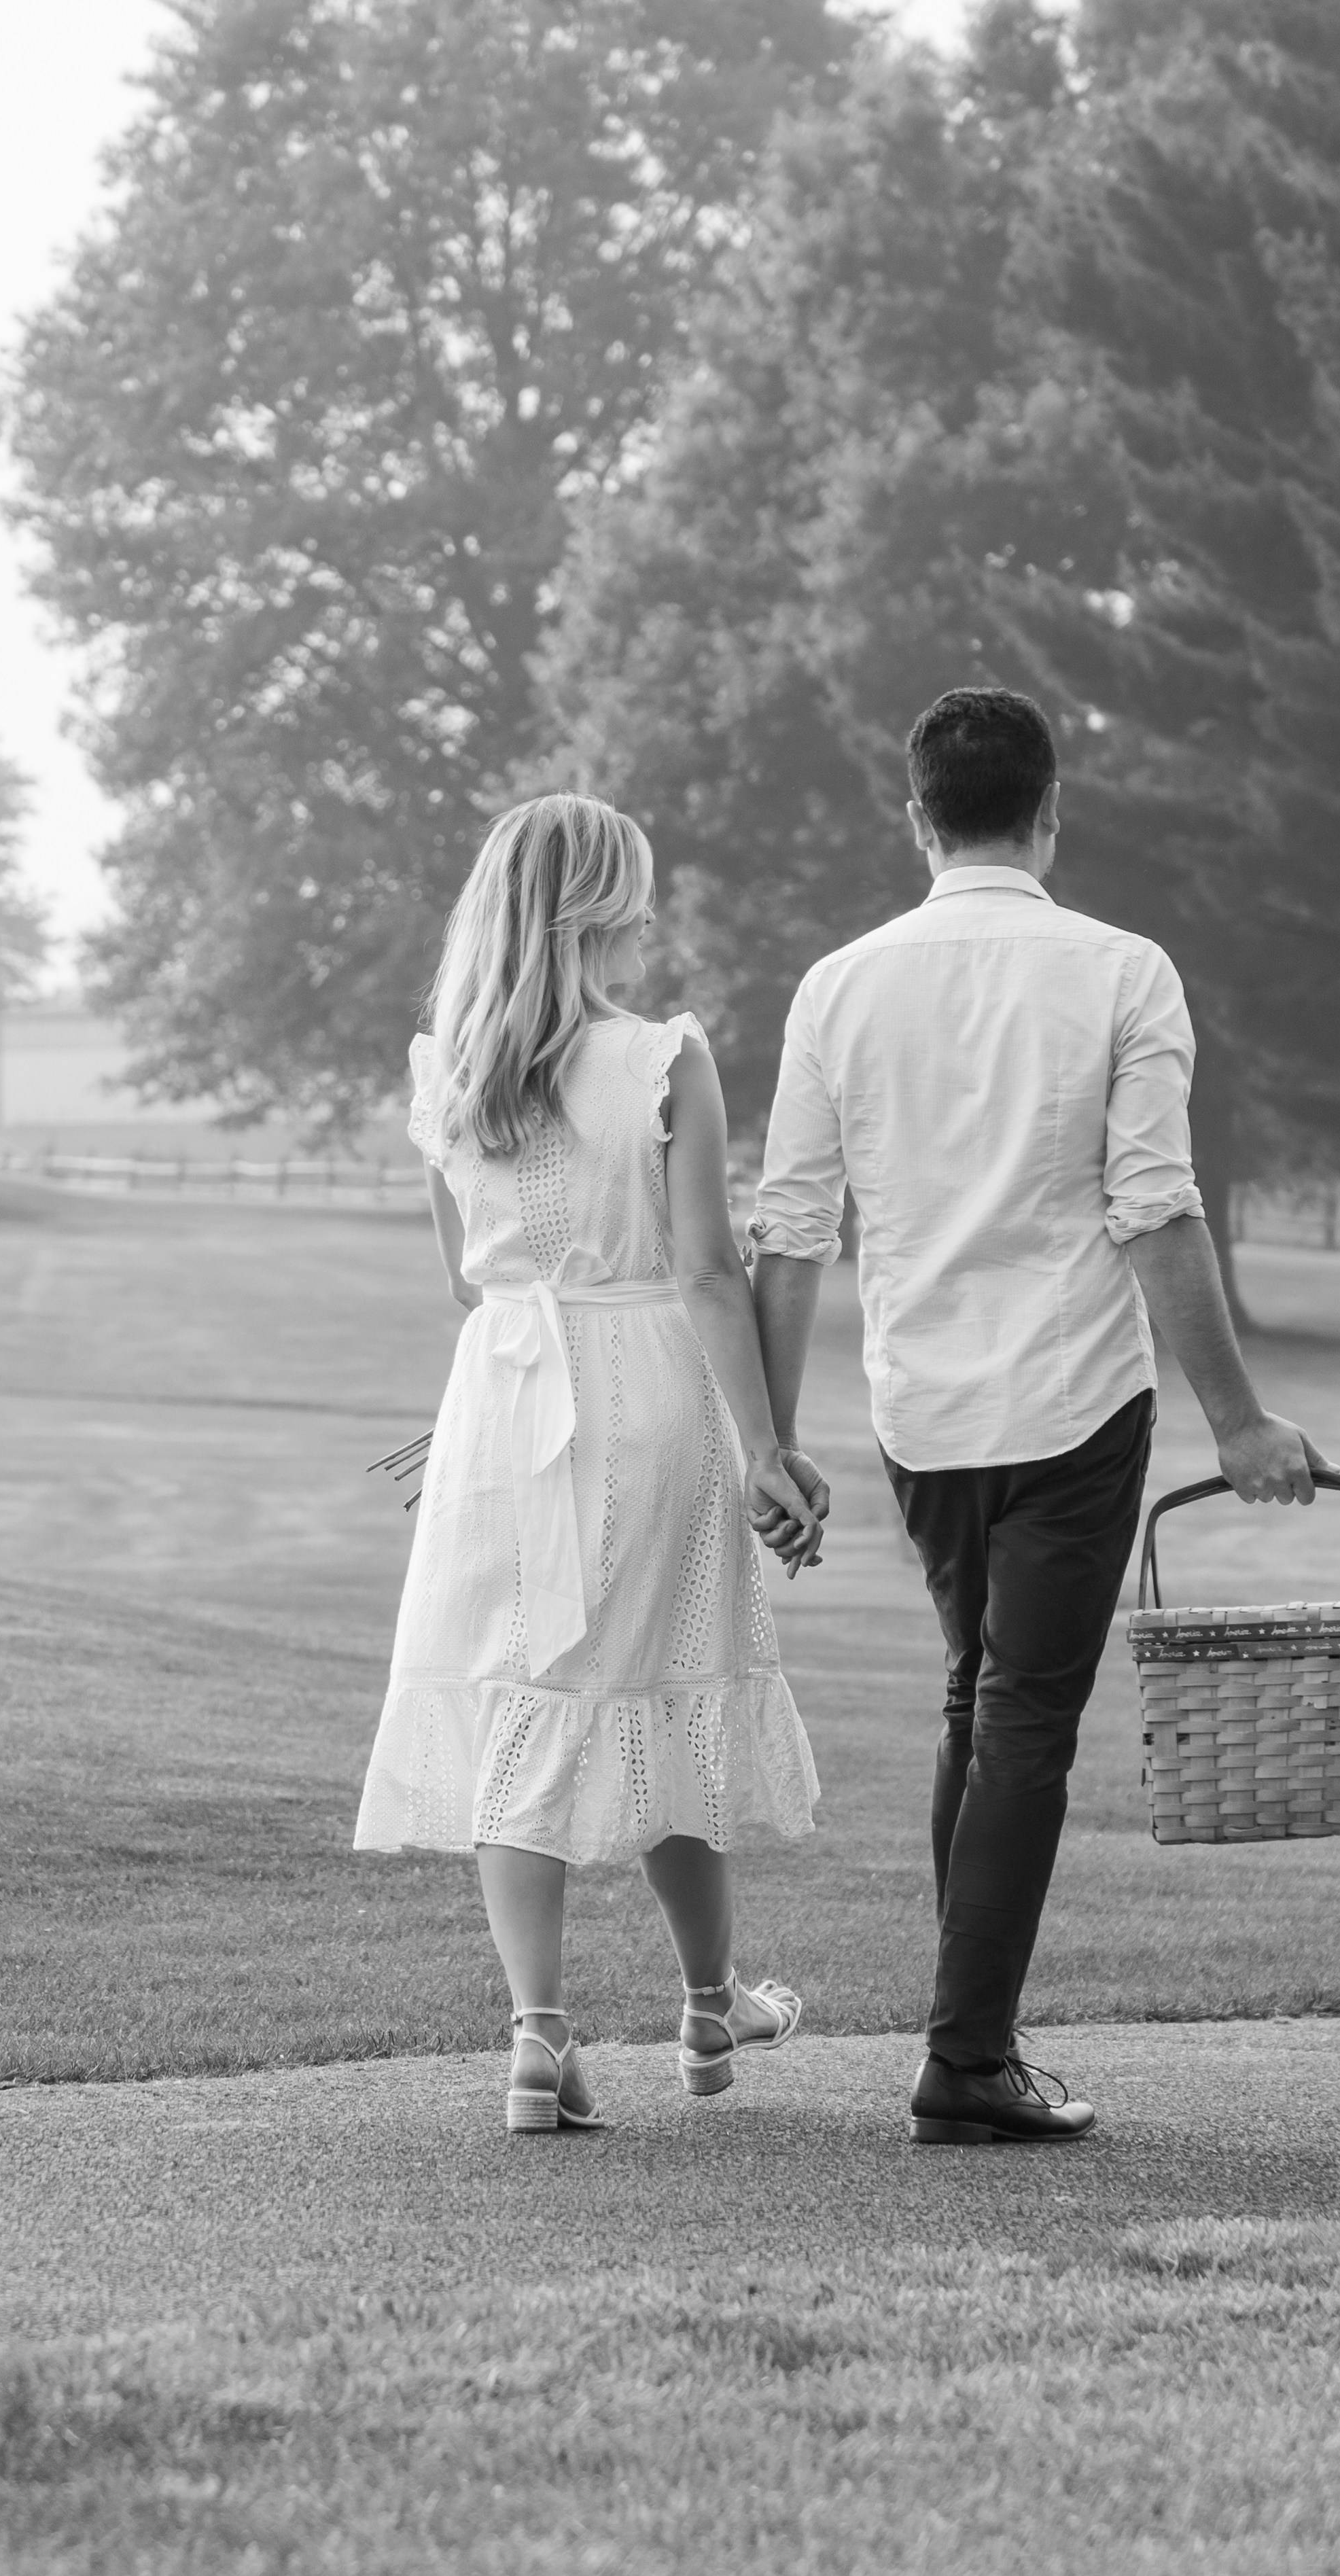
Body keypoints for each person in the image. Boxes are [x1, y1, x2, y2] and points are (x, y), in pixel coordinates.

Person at [747, 688, 1333, 2146]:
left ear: (918, 819)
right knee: (1019, 1718)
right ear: (1051, 810)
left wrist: (772, 1443)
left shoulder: (837, 986)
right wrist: (1239, 1423)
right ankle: (964, 2061)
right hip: (1075, 1404)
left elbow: (793, 1232)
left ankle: (974, 2036)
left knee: (977, 1694)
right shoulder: (1124, 971)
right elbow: (1155, 1208)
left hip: (924, 1410)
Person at [355, 792, 825, 2135]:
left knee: (524, 1691)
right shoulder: (663, 1059)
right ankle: (709, 2003)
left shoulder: (448, 1072)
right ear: (603, 910)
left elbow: (467, 1280)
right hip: (647, 1388)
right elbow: (708, 1269)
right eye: (640, 898)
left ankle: (538, 2038)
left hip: (503, 1398)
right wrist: (769, 1449)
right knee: (664, 1674)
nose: (652, 921)